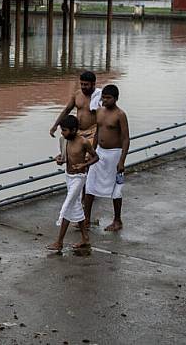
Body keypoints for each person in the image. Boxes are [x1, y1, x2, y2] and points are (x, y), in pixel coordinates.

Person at [47, 115, 97, 252]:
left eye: (65, 130)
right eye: (62, 130)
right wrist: (59, 159)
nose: (62, 133)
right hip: (68, 176)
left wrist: (84, 164)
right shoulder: (64, 140)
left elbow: (96, 157)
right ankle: (85, 238)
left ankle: (59, 241)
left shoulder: (84, 142)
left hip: (79, 177)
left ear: (74, 130)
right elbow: (64, 158)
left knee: (67, 206)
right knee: (75, 207)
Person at [84, 84, 129, 232]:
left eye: (108, 98)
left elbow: (125, 139)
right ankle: (85, 219)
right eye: (103, 97)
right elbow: (97, 133)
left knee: (116, 189)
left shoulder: (120, 115)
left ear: (116, 99)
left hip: (114, 154)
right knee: (90, 185)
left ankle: (117, 220)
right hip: (99, 153)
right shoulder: (100, 112)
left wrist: (122, 160)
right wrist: (92, 152)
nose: (105, 100)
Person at [49, 71, 102, 143]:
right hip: (77, 131)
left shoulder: (100, 97)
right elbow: (67, 110)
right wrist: (55, 126)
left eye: (86, 85)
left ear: (93, 84)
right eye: (81, 84)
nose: (83, 87)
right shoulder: (77, 94)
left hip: (92, 132)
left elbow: (106, 116)